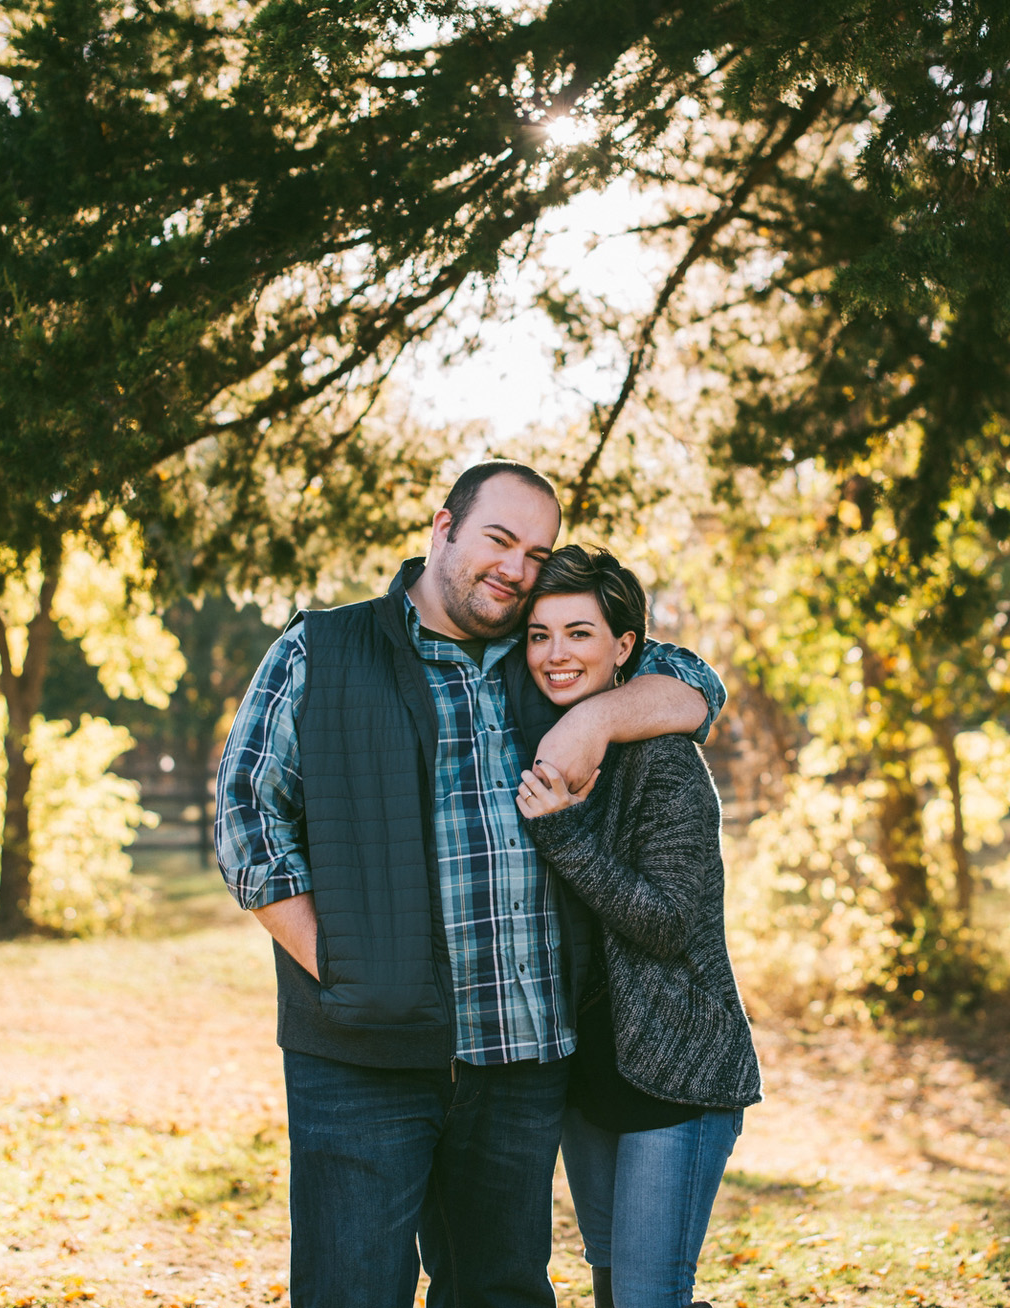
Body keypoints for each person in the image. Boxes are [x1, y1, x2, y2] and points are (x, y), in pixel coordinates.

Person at [213, 462, 726, 1308]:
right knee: (352, 1292)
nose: (517, 570)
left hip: (519, 1059)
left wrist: (596, 719)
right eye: (498, 539)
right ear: (442, 527)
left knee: (501, 1294)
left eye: (536, 552)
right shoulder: (322, 647)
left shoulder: (548, 655)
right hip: (361, 1056)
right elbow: (247, 817)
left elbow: (700, 689)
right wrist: (337, 965)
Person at [516, 545, 762, 1308]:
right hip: (585, 1077)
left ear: (625, 647)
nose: (556, 655)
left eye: (579, 633)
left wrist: (564, 836)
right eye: (538, 635)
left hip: (677, 1074)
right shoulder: (538, 738)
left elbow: (664, 923)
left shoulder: (666, 764)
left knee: (651, 1297)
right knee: (615, 1291)